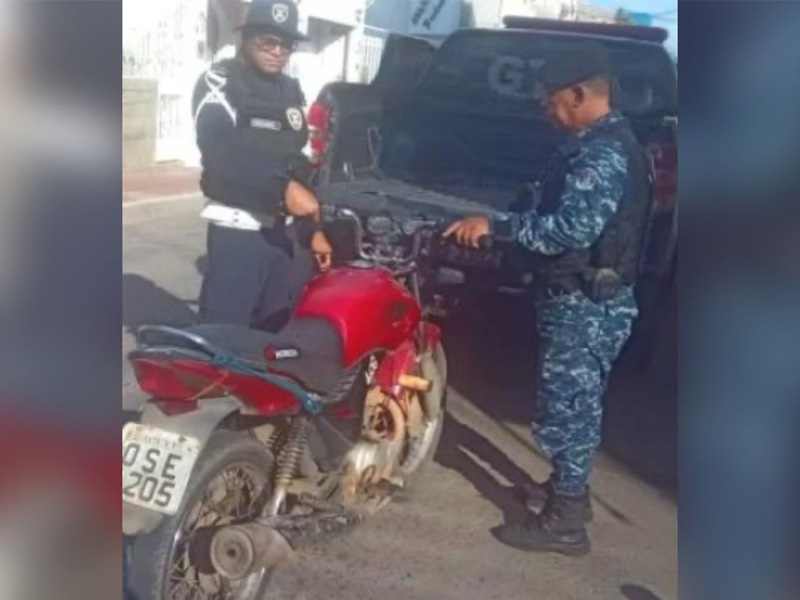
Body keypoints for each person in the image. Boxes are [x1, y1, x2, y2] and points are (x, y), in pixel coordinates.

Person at [445, 45, 652, 556]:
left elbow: (570, 229)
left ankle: (565, 523)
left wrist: (497, 227)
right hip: (582, 298)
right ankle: (565, 492)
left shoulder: (603, 153)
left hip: (586, 304)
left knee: (570, 413)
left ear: (581, 94)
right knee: (567, 408)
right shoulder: (598, 142)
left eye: (552, 99)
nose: (545, 110)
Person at [192, 0, 332, 329]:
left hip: (285, 234)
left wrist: (314, 229)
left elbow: (297, 159)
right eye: (268, 41)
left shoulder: (289, 89)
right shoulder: (219, 81)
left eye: (286, 45)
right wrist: (281, 189)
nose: (277, 52)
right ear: (247, 38)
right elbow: (220, 152)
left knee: (278, 330)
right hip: (239, 230)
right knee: (225, 335)